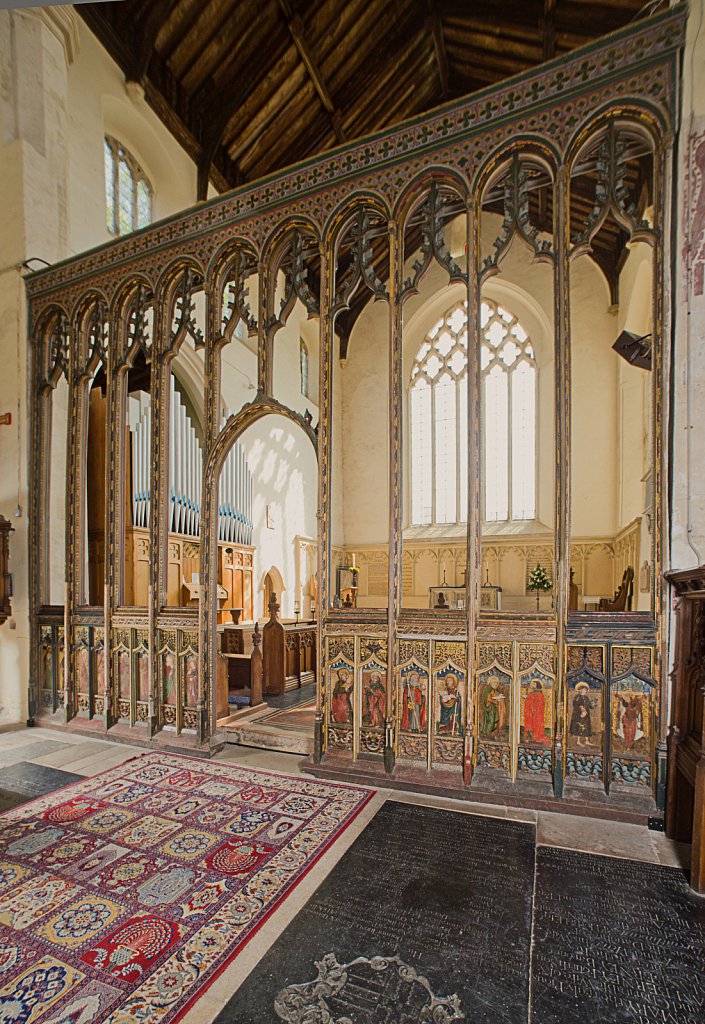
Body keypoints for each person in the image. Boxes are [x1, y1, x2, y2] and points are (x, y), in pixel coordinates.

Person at [569, 681, 594, 747]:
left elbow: (589, 706)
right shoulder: (577, 697)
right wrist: (582, 709)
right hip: (579, 715)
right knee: (579, 727)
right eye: (583, 690)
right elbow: (576, 704)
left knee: (587, 727)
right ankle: (578, 741)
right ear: (580, 690)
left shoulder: (586, 697)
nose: (584, 691)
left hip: (586, 715)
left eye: (585, 690)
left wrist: (592, 704)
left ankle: (587, 741)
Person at [523, 679, 546, 744]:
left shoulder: (539, 694)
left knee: (536, 725)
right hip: (531, 713)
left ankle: (535, 737)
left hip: (536, 714)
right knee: (530, 724)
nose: (532, 685)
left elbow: (538, 704)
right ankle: (530, 736)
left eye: (533, 684)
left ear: (537, 685)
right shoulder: (533, 693)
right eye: (532, 684)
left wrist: (527, 698)